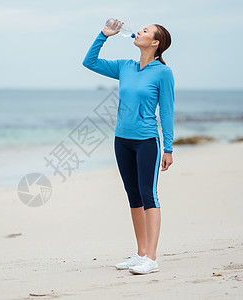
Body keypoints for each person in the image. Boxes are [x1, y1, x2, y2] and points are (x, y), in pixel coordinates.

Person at [82, 19, 175, 275]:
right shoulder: (126, 67)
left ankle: (152, 259)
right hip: (122, 140)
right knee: (133, 196)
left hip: (147, 141)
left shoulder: (163, 73)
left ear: (155, 43)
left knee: (149, 195)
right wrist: (103, 35)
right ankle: (141, 253)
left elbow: (166, 111)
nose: (139, 31)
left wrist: (168, 147)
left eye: (146, 31)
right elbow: (89, 62)